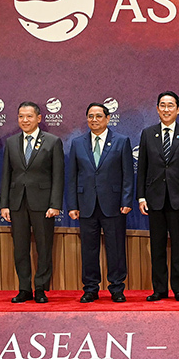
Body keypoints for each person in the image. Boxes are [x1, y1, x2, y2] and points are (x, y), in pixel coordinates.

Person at [66, 103, 133, 303]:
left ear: (107, 118)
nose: (94, 120)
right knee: (89, 249)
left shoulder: (121, 141)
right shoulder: (77, 143)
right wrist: (72, 205)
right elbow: (72, 177)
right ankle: (90, 289)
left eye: (98, 116)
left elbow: (128, 174)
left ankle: (117, 289)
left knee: (116, 248)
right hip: (85, 204)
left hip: (113, 204)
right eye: (90, 116)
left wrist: (126, 200)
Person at [0, 101, 64, 303]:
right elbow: (6, 176)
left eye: (29, 116)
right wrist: (4, 204)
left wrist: (55, 204)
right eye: (20, 116)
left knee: (44, 247)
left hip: (43, 204)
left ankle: (41, 289)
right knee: (20, 248)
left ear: (39, 118)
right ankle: (24, 288)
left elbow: (58, 176)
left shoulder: (52, 142)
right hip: (17, 203)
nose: (24, 120)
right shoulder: (11, 143)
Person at [137, 91, 179, 302]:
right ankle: (160, 289)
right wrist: (141, 197)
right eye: (162, 105)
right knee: (157, 245)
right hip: (154, 198)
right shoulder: (147, 133)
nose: (166, 109)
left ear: (178, 109)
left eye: (170, 105)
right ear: (157, 109)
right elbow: (142, 167)